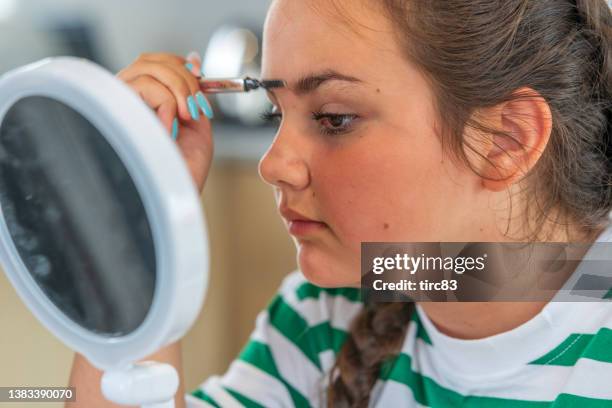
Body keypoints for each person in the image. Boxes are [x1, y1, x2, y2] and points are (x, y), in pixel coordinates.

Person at [68, 0, 612, 406]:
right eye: (275, 114)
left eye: (334, 118)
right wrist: (140, 219)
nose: (273, 165)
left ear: (506, 140)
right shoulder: (326, 316)